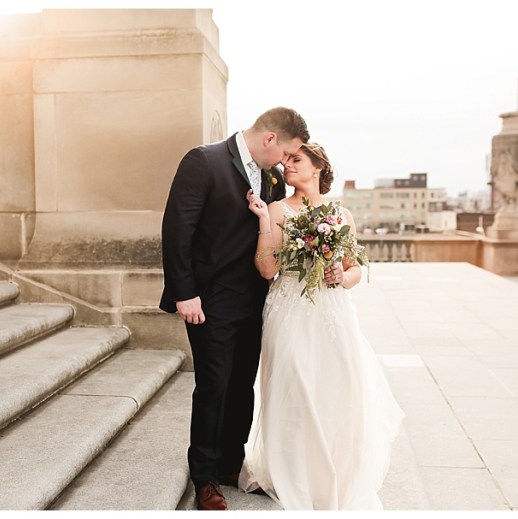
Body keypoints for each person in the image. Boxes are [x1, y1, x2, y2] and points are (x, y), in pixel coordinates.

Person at [159, 107, 310, 510]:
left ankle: (230, 464)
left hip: (257, 300)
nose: (284, 162)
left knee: (242, 384)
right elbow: (177, 229)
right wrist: (184, 292)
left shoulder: (272, 177)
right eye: (285, 152)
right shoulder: (203, 161)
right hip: (208, 300)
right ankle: (204, 476)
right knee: (214, 384)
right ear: (269, 140)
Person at [240, 142, 405, 510]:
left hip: (333, 311)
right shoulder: (277, 208)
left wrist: (340, 276)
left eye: (296, 161)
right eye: (285, 163)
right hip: (289, 309)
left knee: (337, 390)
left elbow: (354, 269)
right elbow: (268, 270)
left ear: (318, 167)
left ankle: (333, 471)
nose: (287, 168)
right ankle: (294, 472)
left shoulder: (341, 214)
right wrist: (265, 222)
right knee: (293, 386)